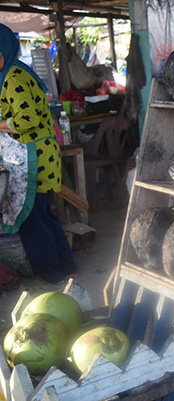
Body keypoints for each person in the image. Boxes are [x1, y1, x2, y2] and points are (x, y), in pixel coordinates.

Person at [0, 23, 77, 284]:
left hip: (34, 159)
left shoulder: (14, 77)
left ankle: (51, 276)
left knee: (33, 221)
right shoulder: (16, 71)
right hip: (39, 154)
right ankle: (66, 268)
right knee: (44, 216)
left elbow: (27, 118)